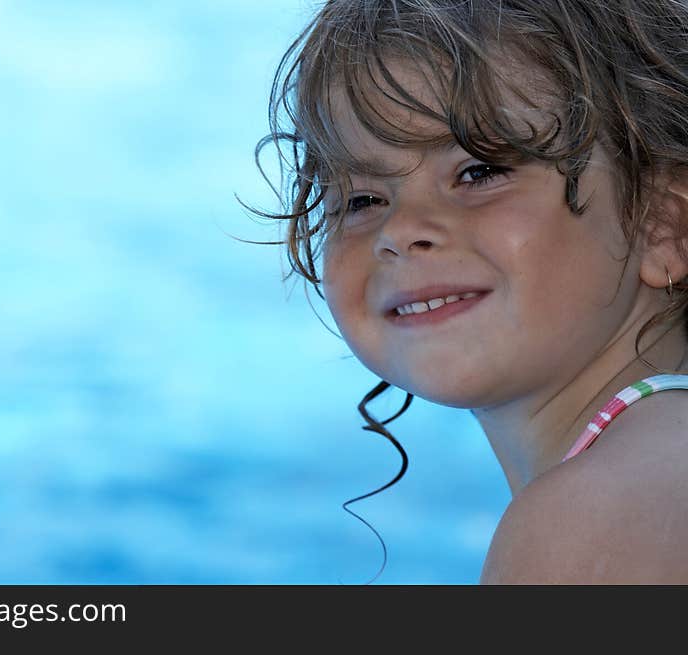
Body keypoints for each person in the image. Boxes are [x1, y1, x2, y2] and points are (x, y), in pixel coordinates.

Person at [253, 0, 688, 583]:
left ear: (662, 225)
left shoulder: (593, 521)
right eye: (362, 200)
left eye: (478, 171)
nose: (401, 232)